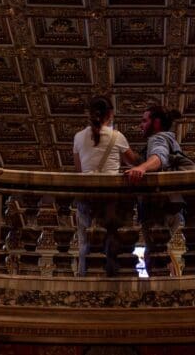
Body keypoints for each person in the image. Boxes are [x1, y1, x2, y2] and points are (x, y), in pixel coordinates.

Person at [73, 96, 137, 276]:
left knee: (86, 241)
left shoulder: (78, 137)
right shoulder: (117, 137)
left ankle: (86, 280)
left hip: (87, 198)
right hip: (111, 199)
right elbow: (133, 162)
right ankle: (112, 282)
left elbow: (79, 171)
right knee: (113, 242)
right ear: (110, 114)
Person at [124, 105, 186, 275]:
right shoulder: (169, 138)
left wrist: (142, 168)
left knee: (154, 254)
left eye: (144, 121)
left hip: (158, 209)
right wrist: (124, 150)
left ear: (156, 122)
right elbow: (145, 158)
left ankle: (161, 293)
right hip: (171, 208)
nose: (140, 125)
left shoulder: (157, 138)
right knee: (157, 251)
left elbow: (159, 157)